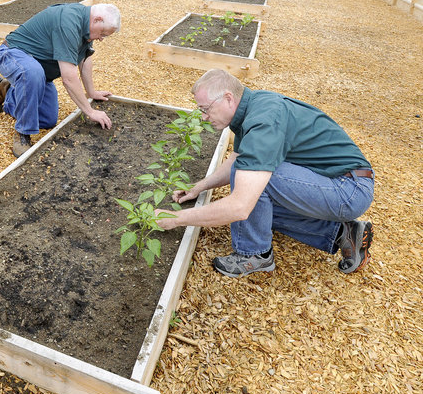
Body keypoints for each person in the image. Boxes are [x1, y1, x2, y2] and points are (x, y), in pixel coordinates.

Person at [155, 69, 375, 278]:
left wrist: (175, 218)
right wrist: (199, 187)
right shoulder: (253, 106)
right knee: (253, 191)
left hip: (348, 190)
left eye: (205, 109)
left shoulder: (263, 121)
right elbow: (235, 160)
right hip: (333, 181)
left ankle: (255, 253)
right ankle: (340, 232)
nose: (203, 117)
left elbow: (240, 207)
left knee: (251, 184)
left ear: (228, 98)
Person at [0, 3, 121, 157]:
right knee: (32, 73)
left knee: (47, 120)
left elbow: (85, 59)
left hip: (39, 73)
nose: (101, 39)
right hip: (12, 54)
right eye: (103, 33)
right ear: (97, 20)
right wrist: (90, 112)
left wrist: (91, 92)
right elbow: (69, 78)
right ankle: (22, 134)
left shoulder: (87, 27)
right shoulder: (69, 21)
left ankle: (7, 92)